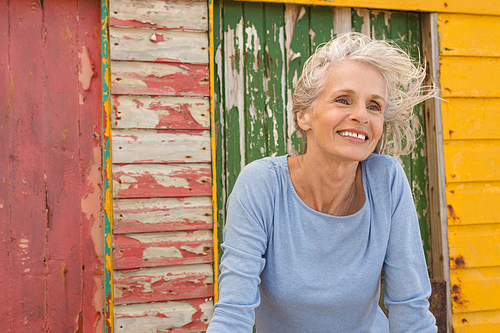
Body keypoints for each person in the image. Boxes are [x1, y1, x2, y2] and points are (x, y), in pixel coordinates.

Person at [207, 32, 437, 332]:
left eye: (374, 106)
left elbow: (411, 310)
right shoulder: (262, 184)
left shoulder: (386, 180)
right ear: (304, 115)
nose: (361, 116)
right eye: (344, 100)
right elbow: (233, 313)